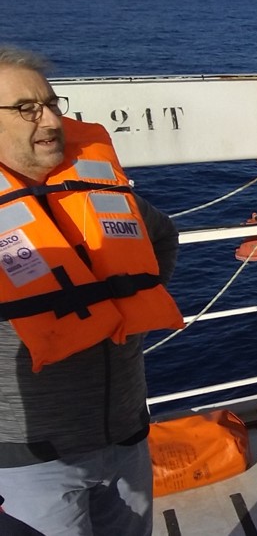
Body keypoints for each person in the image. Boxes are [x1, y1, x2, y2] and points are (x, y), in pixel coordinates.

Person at [0, 47, 184, 535]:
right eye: (26, 108)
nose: (50, 120)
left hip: (126, 432)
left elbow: (162, 235)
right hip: (32, 460)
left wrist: (130, 304)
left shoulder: (97, 188)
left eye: (51, 103)